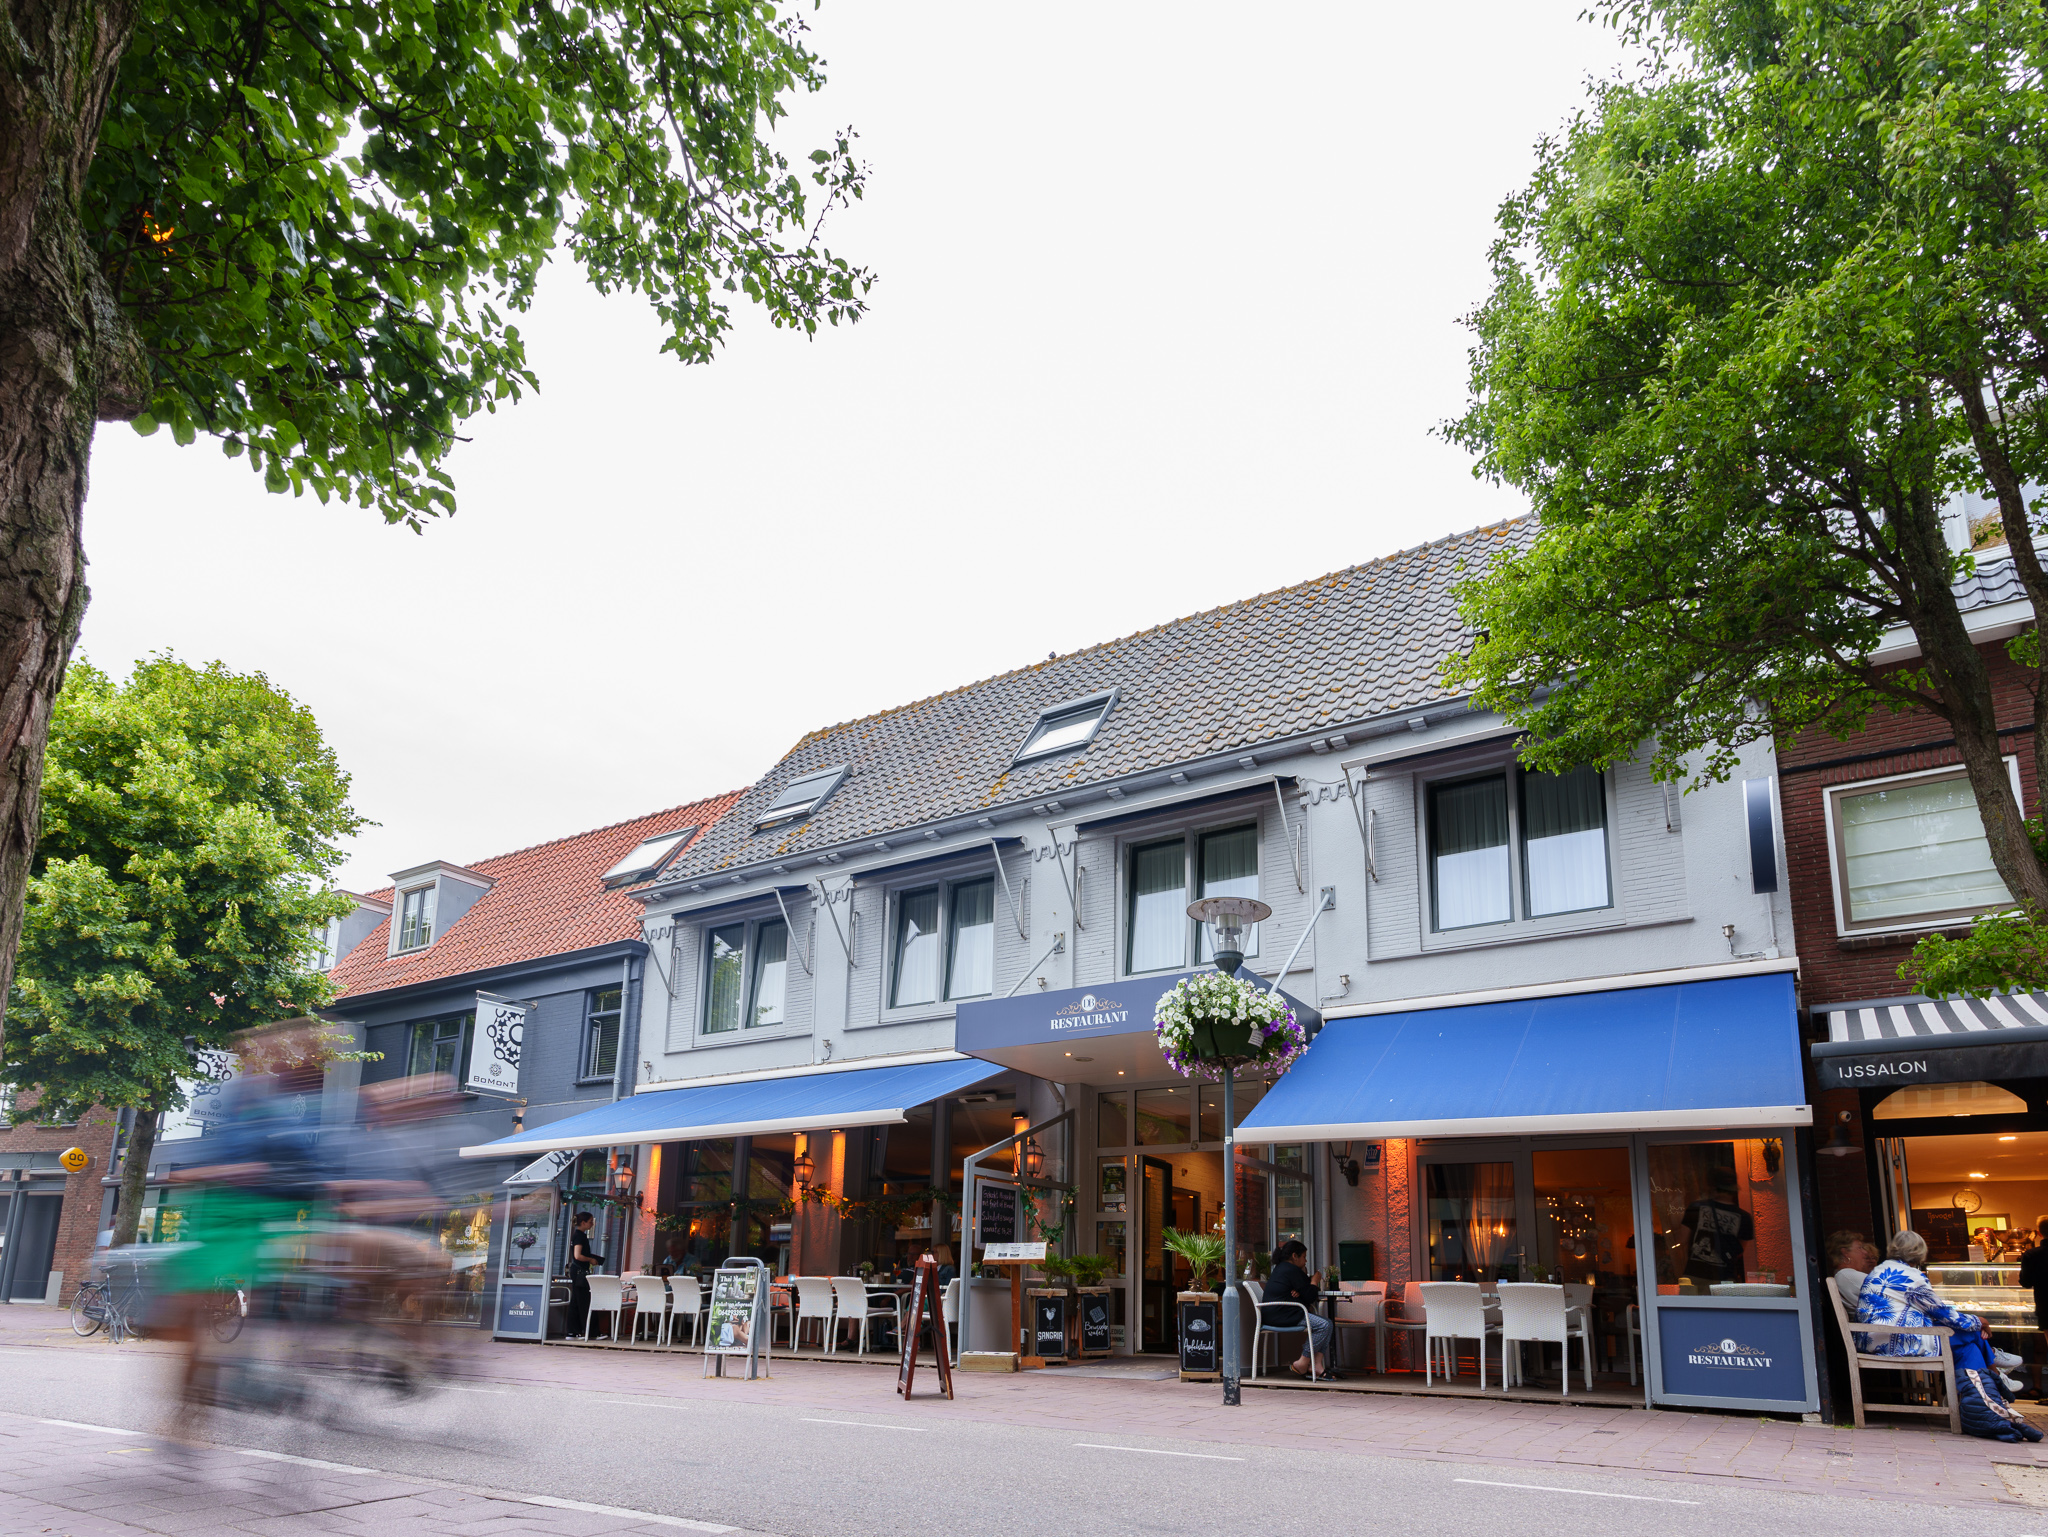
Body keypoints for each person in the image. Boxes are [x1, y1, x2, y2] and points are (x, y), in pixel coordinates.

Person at [1858, 1230, 2025, 1394]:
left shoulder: (1878, 1270)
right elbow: (1943, 1313)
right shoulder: (1911, 1276)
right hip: (1899, 1341)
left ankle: (1982, 1393)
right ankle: (1994, 1368)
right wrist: (1981, 1321)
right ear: (1919, 1253)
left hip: (1871, 1340)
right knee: (1973, 1333)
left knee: (1969, 1348)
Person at [1263, 1239, 1337, 1379]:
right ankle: (1303, 1362)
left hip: (1278, 1313)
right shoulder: (1291, 1270)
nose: (1306, 1261)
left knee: (1327, 1324)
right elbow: (1310, 1296)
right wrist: (1315, 1280)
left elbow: (1304, 1291)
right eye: (1304, 1257)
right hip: (1283, 1314)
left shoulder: (1282, 1268)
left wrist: (1301, 1290)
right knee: (1324, 1325)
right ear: (1294, 1256)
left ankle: (1316, 1365)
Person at [1680, 1173, 1754, 1287]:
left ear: (1712, 1187)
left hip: (1695, 1275)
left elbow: (1682, 1240)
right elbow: (1740, 1250)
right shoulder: (1744, 1217)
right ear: (1734, 1190)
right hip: (1725, 1277)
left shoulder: (1696, 1208)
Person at [2019, 1217, 2048, 1398]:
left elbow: (2026, 1282)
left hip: (2046, 1308)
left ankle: (2039, 1389)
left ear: (2038, 1233)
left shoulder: (2032, 1255)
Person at [566, 1213, 605, 1337]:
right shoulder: (580, 1236)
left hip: (576, 1271)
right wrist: (590, 1259)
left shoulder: (577, 1235)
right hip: (580, 1272)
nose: (592, 1224)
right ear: (583, 1223)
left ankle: (573, 1331)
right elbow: (577, 1255)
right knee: (585, 1301)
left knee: (576, 1301)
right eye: (590, 1221)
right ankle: (592, 1332)